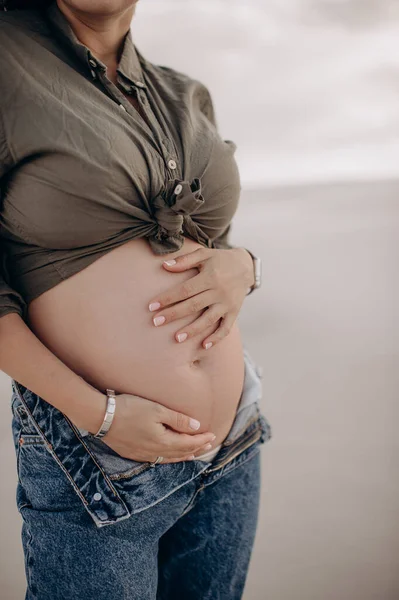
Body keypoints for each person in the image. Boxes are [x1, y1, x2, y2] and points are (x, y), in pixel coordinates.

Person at [0, 0, 272, 598]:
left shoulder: (184, 93)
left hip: (231, 442)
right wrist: (101, 415)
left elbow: (212, 245)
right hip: (99, 453)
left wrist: (244, 267)